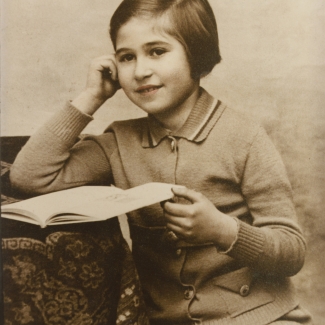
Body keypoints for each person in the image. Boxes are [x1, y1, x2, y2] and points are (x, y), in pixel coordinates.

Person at [10, 0, 313, 324]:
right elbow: (30, 176)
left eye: (156, 51)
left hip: (259, 317)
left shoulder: (245, 138)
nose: (140, 71)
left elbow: (291, 251)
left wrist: (222, 230)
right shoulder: (119, 142)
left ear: (197, 55)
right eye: (127, 57)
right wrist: (92, 96)